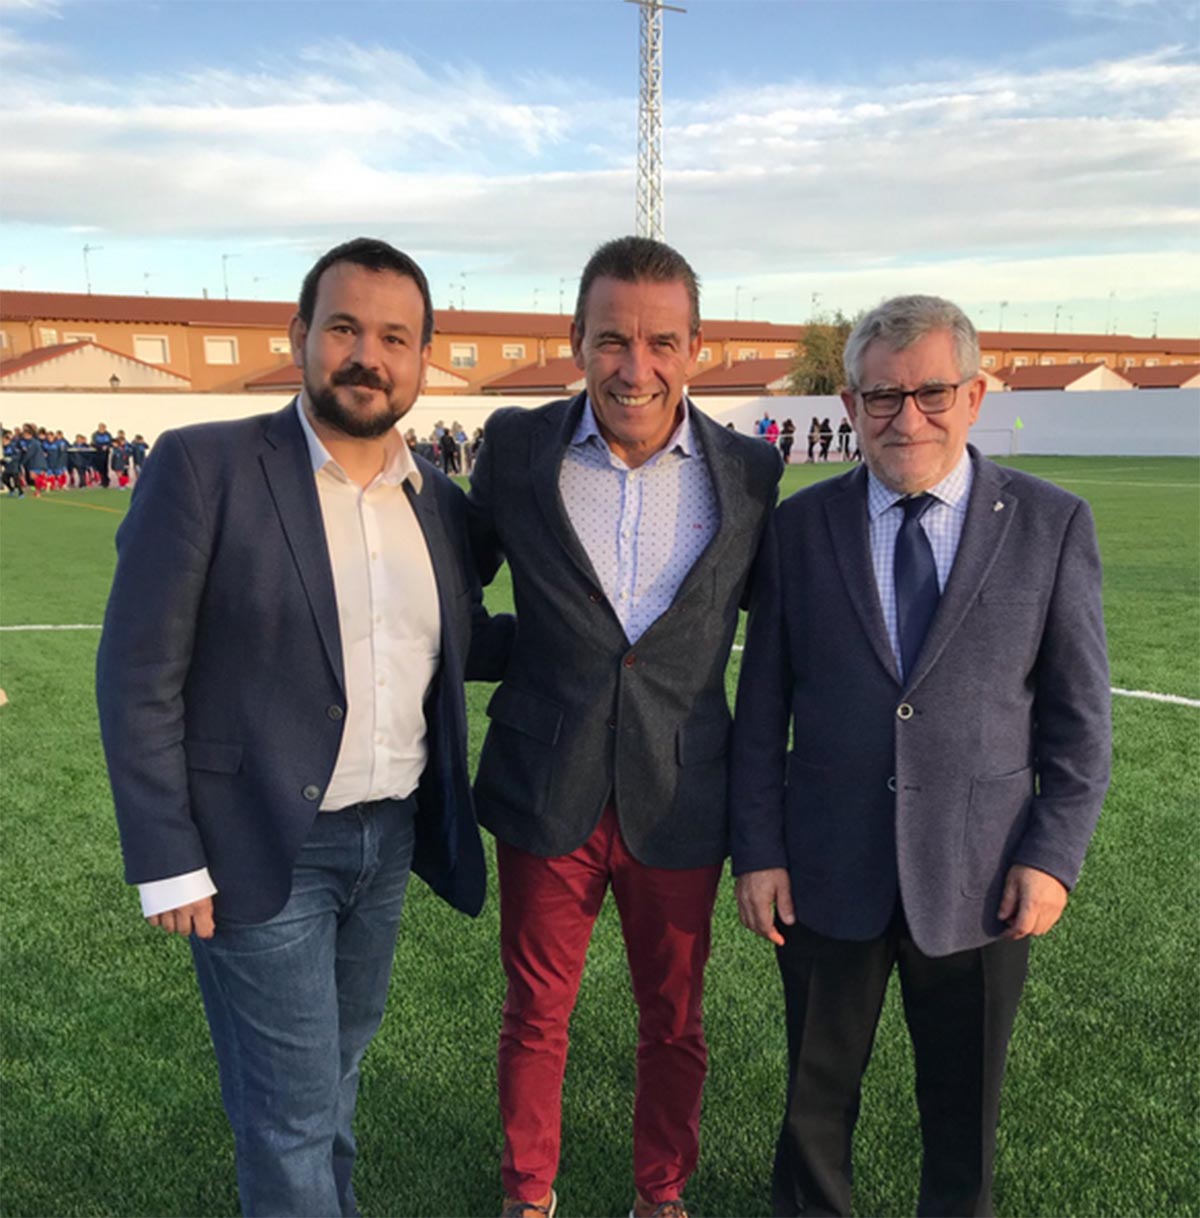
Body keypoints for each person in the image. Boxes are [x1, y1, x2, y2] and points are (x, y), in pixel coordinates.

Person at [96, 236, 512, 1218]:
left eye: (395, 338)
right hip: (259, 844)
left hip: (389, 841)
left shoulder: (437, 503)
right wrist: (166, 856)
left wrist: (611, 655)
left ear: (421, 361)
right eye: (346, 329)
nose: (368, 356)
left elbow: (457, 642)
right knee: (289, 1109)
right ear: (300, 337)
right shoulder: (206, 467)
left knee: (332, 1075)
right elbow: (137, 671)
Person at [729, 294, 1111, 1218]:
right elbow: (760, 708)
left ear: (975, 395)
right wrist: (762, 851)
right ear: (850, 407)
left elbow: (1079, 718)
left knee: (963, 1112)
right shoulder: (797, 527)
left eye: (931, 393)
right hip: (826, 869)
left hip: (982, 876)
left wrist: (1052, 858)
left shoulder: (1050, 524)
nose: (908, 418)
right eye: (881, 397)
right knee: (815, 1104)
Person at [468, 236, 781, 1218]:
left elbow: (773, 643)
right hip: (544, 786)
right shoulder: (516, 449)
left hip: (683, 793)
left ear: (696, 348)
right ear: (576, 340)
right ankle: (528, 1197)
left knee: (675, 1023)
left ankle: (663, 1198)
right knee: (535, 1017)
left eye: (659, 343)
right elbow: (454, 594)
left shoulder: (751, 474)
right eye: (611, 341)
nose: (633, 368)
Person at [91, 421, 113, 487]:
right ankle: (102, 479)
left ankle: (105, 481)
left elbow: (110, 442)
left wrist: (107, 446)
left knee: (105, 467)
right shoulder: (95, 434)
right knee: (99, 467)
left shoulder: (108, 434)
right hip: (98, 453)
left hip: (105, 453)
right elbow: (93, 443)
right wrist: (100, 447)